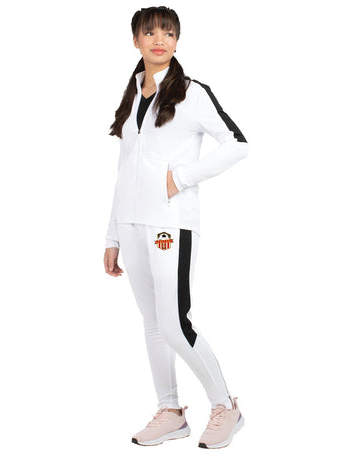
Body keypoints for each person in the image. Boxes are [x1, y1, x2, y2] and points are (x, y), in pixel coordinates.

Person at [103, 6, 248, 449]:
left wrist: (180, 179)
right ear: (136, 41)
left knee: (173, 323)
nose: (159, 39)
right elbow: (125, 168)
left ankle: (225, 406)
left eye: (168, 33)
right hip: (131, 223)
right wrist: (112, 234)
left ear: (177, 41)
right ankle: (170, 412)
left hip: (171, 222)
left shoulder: (191, 92)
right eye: (150, 33)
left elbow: (237, 144)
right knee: (152, 324)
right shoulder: (133, 93)